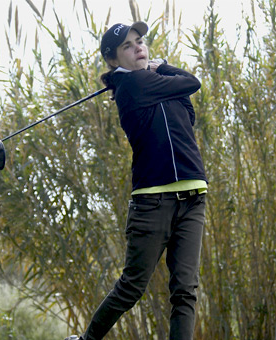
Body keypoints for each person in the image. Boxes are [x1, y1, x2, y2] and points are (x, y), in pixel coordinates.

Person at [66, 21, 207, 340]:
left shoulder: (154, 82)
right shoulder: (130, 86)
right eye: (127, 46)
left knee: (186, 290)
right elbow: (192, 82)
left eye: (140, 41)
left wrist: (163, 75)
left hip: (194, 197)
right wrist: (166, 68)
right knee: (131, 287)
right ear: (113, 60)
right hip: (153, 202)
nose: (138, 47)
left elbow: (188, 116)